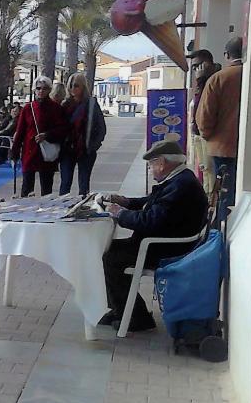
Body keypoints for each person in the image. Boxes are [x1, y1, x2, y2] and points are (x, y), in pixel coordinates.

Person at [101, 140, 208, 332]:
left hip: (166, 248)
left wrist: (120, 213)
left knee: (110, 258)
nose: (150, 169)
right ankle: (121, 309)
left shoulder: (181, 185)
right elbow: (152, 203)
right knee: (108, 250)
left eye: (151, 164)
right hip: (163, 242)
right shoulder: (179, 178)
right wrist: (125, 202)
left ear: (162, 163)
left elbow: (150, 221)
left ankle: (136, 316)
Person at [196, 37, 242, 217]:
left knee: (223, 193)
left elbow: (205, 115)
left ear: (226, 55)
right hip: (249, 149)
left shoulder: (218, 79)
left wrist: (206, 135)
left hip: (222, 147)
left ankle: (222, 230)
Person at [11, 76, 68, 197]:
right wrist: (14, 151)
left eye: (45, 88)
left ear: (49, 90)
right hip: (29, 151)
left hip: (46, 152)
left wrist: (47, 135)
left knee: (46, 188)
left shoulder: (56, 108)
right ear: (34, 90)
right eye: (38, 88)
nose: (41, 91)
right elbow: (20, 131)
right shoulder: (28, 108)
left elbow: (62, 129)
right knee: (26, 187)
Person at [59, 72, 107, 196]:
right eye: (70, 86)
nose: (73, 89)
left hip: (85, 150)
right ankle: (62, 208)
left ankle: (82, 207)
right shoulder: (65, 105)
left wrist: (94, 145)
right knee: (65, 183)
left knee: (84, 183)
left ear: (83, 87)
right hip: (67, 149)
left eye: (76, 86)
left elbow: (101, 128)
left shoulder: (91, 104)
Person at [190, 60, 218, 194]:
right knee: (204, 170)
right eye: (194, 67)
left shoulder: (210, 83)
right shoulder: (200, 85)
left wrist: (201, 80)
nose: (196, 70)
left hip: (206, 134)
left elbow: (205, 107)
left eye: (198, 66)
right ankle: (206, 199)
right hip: (198, 133)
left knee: (209, 170)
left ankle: (209, 201)